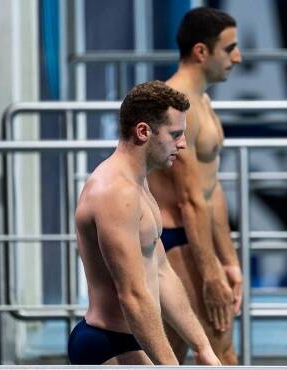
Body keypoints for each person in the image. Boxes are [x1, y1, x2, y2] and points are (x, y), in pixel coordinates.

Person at [68, 80, 220, 366]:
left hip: (135, 338)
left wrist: (202, 347)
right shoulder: (114, 192)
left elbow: (160, 271)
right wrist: (169, 365)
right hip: (107, 345)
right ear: (143, 132)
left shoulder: (138, 183)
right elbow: (133, 294)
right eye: (175, 134)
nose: (183, 144)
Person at [147, 6, 243, 365]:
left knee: (172, 355)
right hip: (176, 241)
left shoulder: (201, 99)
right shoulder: (174, 108)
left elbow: (210, 188)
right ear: (202, 51)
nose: (238, 57)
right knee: (221, 354)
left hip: (194, 239)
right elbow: (190, 200)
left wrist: (229, 261)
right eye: (229, 48)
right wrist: (211, 274)